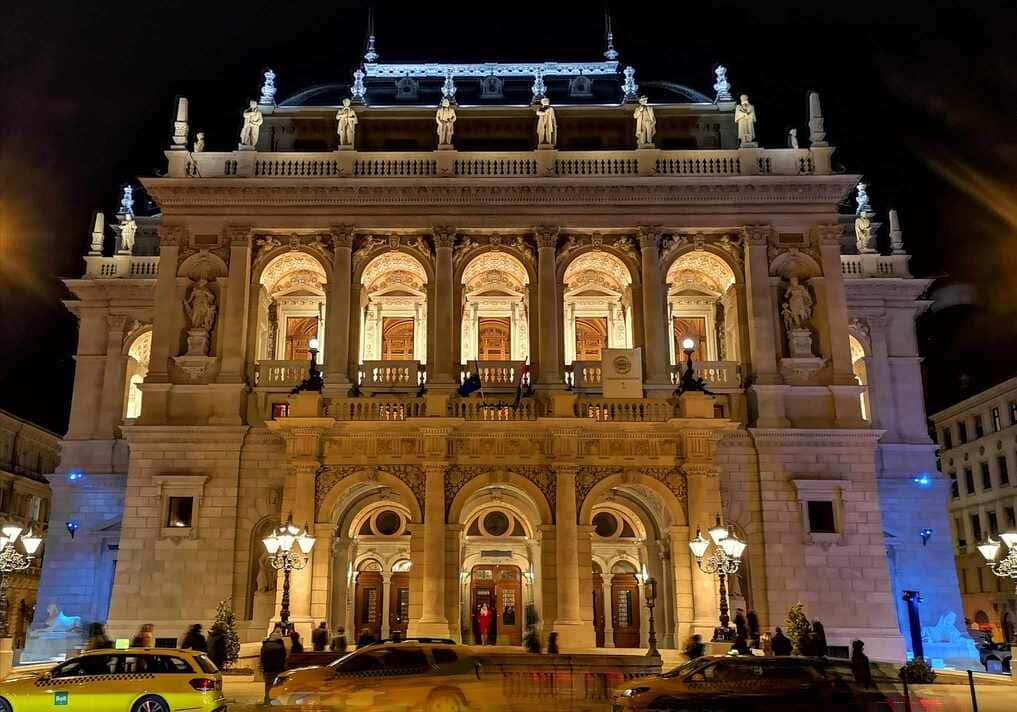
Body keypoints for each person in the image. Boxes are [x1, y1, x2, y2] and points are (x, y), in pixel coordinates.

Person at [260, 627, 287, 705]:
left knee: (268, 685)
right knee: (277, 686)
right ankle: (275, 700)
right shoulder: (280, 647)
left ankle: (267, 700)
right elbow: (283, 658)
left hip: (267, 669)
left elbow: (262, 658)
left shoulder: (265, 646)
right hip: (277, 669)